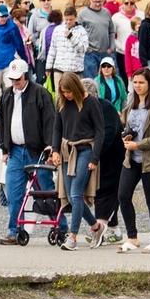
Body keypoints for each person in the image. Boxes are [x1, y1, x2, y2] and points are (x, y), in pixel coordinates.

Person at [0, 57, 54, 245]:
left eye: (18, 79)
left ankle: (60, 225)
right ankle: (14, 230)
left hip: (37, 151)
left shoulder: (41, 94)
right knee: (13, 192)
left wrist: (51, 147)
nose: (15, 83)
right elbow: (2, 123)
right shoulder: (7, 95)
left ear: (26, 76)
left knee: (45, 189)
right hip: (15, 151)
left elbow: (50, 121)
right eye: (12, 80)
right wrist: (5, 148)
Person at [50, 71, 107, 250]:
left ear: (75, 88)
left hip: (85, 150)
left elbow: (100, 131)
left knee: (76, 193)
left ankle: (73, 237)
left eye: (69, 92)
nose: (66, 95)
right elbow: (57, 128)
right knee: (72, 197)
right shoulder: (61, 102)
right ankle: (96, 226)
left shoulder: (91, 102)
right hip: (67, 150)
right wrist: (55, 150)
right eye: (63, 92)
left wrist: (95, 157)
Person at [116, 67, 150, 254]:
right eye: (135, 82)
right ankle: (132, 237)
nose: (137, 86)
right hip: (132, 159)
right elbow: (130, 127)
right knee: (123, 195)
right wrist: (127, 136)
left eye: (142, 82)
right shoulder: (130, 105)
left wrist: (138, 145)